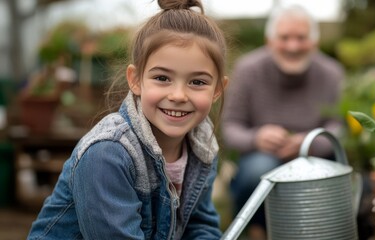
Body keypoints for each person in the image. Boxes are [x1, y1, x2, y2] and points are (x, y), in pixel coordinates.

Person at [27, 0, 228, 239]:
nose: (178, 95)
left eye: (198, 82)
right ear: (135, 79)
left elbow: (200, 226)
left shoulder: (201, 145)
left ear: (217, 89)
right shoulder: (108, 153)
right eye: (162, 78)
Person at [221, 4, 344, 239]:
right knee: (259, 169)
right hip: (262, 157)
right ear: (269, 40)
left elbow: (338, 127)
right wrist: (257, 137)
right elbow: (230, 127)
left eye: (301, 37)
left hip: (315, 158)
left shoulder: (331, 73)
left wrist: (308, 142)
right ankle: (259, 230)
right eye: (284, 37)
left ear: (314, 42)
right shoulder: (248, 69)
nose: (293, 46)